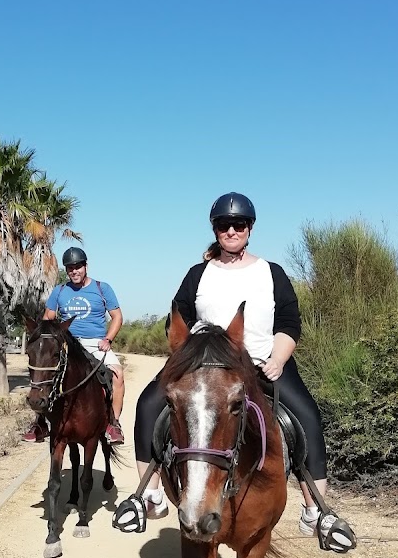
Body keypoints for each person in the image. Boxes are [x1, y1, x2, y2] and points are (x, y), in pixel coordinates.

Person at [130, 192, 333, 535]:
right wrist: (189, 354)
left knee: (307, 417)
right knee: (148, 405)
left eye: (239, 224)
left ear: (249, 228)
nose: (231, 230)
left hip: (261, 362)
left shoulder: (272, 273)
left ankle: (317, 510)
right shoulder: (198, 274)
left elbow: (288, 322)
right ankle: (147, 496)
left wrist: (279, 359)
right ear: (215, 229)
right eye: (224, 225)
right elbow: (176, 317)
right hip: (204, 367)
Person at [23, 246, 125, 445]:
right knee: (43, 376)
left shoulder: (102, 288)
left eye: (78, 266)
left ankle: (114, 423)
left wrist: (108, 339)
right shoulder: (59, 291)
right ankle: (40, 423)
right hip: (67, 343)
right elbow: (48, 318)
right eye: (70, 268)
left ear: (86, 266)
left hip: (96, 343)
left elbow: (117, 317)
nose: (74, 271)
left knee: (118, 374)